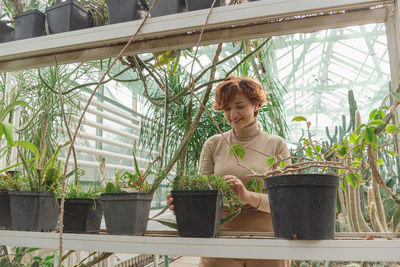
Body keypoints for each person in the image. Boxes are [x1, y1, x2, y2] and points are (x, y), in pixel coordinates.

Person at [167, 75, 290, 267]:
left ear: (256, 105)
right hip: (221, 236)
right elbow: (203, 195)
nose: (233, 114)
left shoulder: (276, 145)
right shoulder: (214, 144)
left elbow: (284, 203)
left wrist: (247, 196)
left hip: (267, 239)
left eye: (239, 106)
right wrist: (184, 205)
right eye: (227, 108)